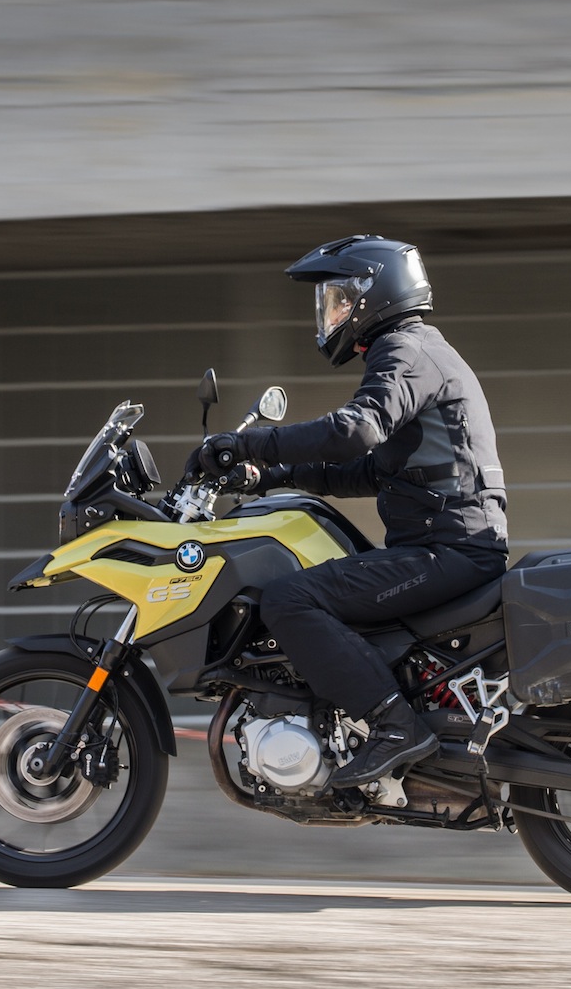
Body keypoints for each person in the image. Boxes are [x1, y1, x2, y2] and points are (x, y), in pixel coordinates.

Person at [189, 235, 508, 788]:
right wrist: (269, 476)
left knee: (288, 599)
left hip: (449, 550)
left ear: (374, 293)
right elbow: (367, 470)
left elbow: (355, 431)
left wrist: (247, 444)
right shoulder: (417, 351)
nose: (331, 313)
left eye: (339, 299)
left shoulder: (407, 350)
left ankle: (394, 726)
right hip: (445, 545)